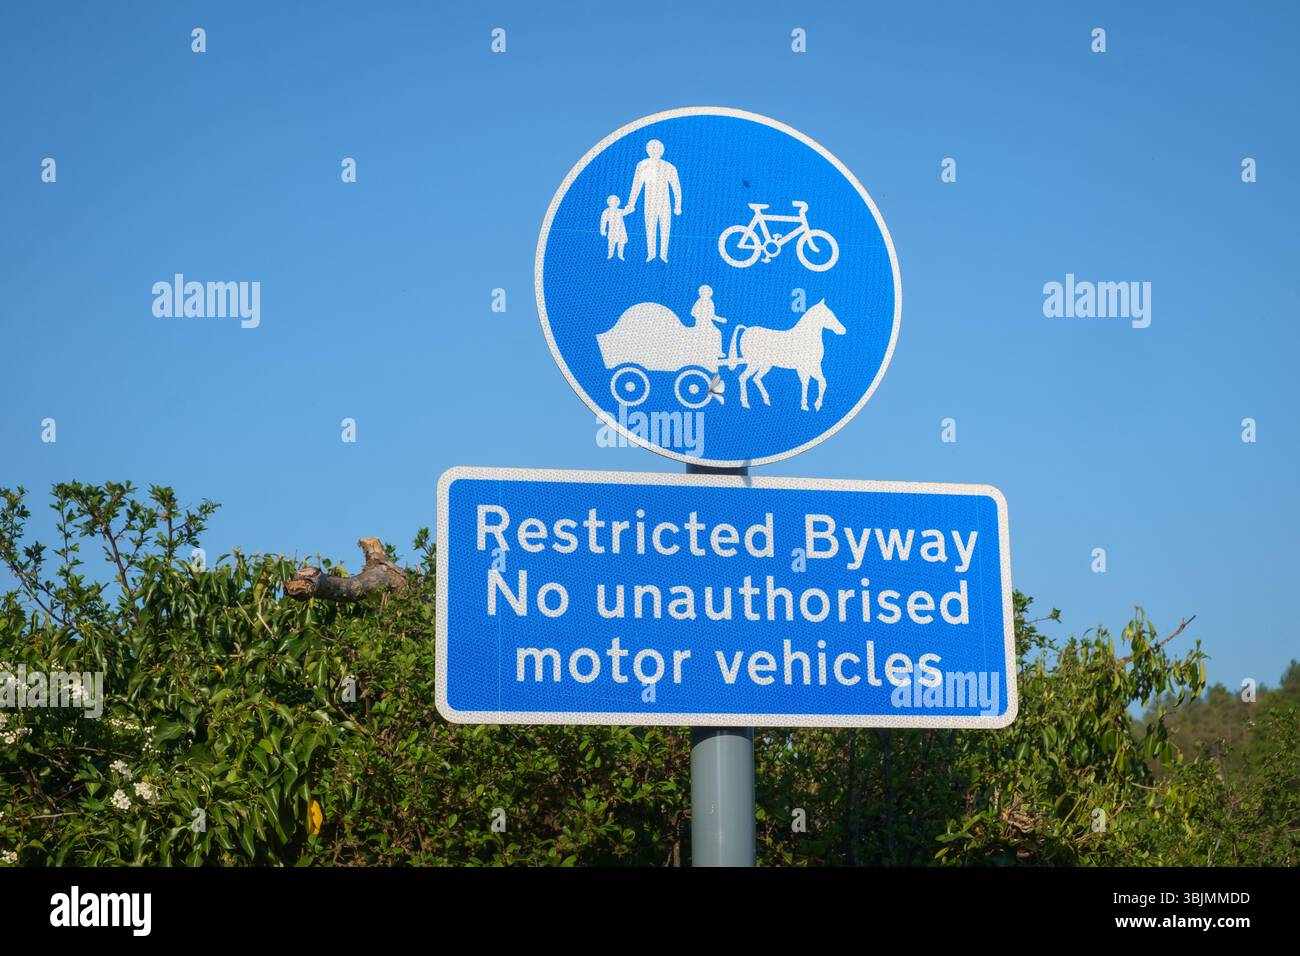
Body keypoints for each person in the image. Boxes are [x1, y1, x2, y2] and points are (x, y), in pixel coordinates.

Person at [625, 140, 682, 263]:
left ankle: (663, 255)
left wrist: (678, 206)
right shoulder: (642, 165)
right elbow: (636, 186)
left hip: (665, 202)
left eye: (657, 149)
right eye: (652, 148)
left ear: (662, 151)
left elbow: (676, 187)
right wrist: (631, 204)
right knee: (650, 228)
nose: (654, 151)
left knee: (665, 229)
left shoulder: (669, 166)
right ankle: (651, 254)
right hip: (649, 202)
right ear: (648, 150)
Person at [690, 284, 726, 362]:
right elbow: (693, 312)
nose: (707, 294)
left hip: (705, 322)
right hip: (703, 323)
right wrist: (720, 319)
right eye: (705, 292)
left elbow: (694, 313)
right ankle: (717, 352)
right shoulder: (703, 301)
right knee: (717, 333)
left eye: (708, 292)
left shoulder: (706, 301)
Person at [599, 196, 631, 260]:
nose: (613, 203)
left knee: (621, 243)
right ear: (609, 202)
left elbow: (626, 211)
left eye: (615, 202)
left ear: (617, 203)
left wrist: (629, 208)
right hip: (612, 230)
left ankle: (620, 255)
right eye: (612, 202)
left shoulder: (619, 211)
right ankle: (610, 255)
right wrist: (603, 230)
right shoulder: (606, 211)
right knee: (611, 242)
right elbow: (603, 222)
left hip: (621, 230)